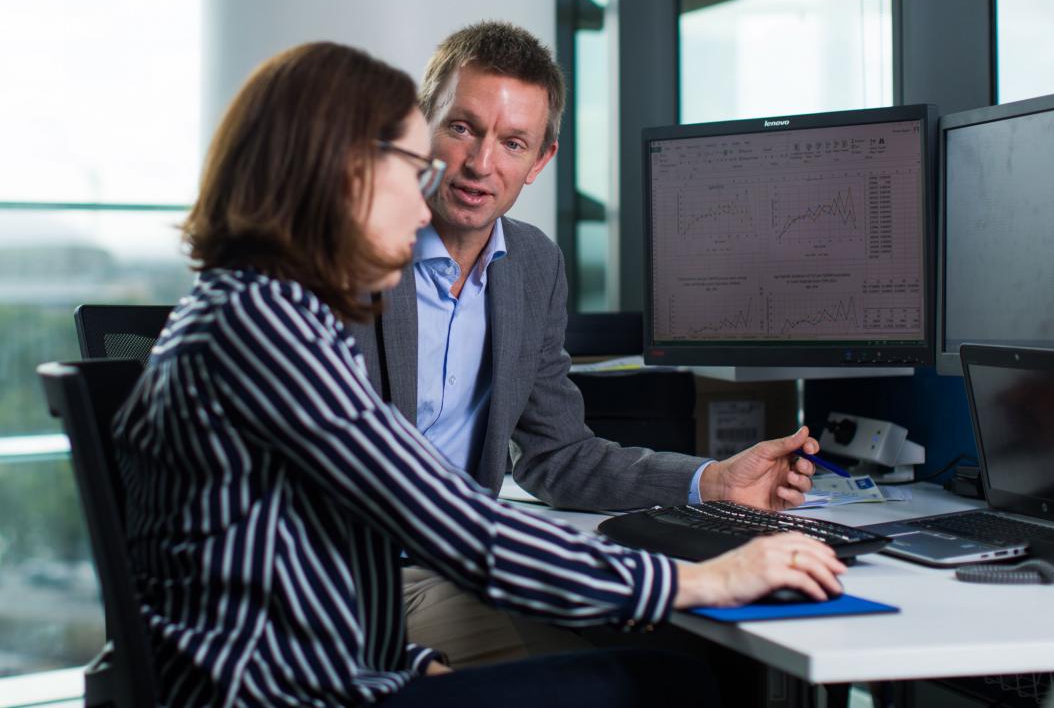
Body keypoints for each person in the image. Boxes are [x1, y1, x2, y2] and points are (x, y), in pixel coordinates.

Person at [113, 41, 845, 708]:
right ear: (338, 172)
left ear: (539, 158)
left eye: (511, 143)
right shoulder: (271, 325)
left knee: (655, 664)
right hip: (274, 693)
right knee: (669, 682)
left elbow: (290, 559)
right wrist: (703, 578)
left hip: (322, 663)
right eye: (416, 161)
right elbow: (452, 523)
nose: (435, 185)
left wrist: (406, 662)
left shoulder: (258, 303)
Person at [353, 21, 826, 666]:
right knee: (609, 677)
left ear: (541, 161)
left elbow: (558, 456)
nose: (481, 163)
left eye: (513, 142)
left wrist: (711, 482)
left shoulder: (532, 265)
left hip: (459, 567)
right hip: (349, 575)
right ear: (421, 126)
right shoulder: (351, 253)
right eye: (461, 127)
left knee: (668, 661)